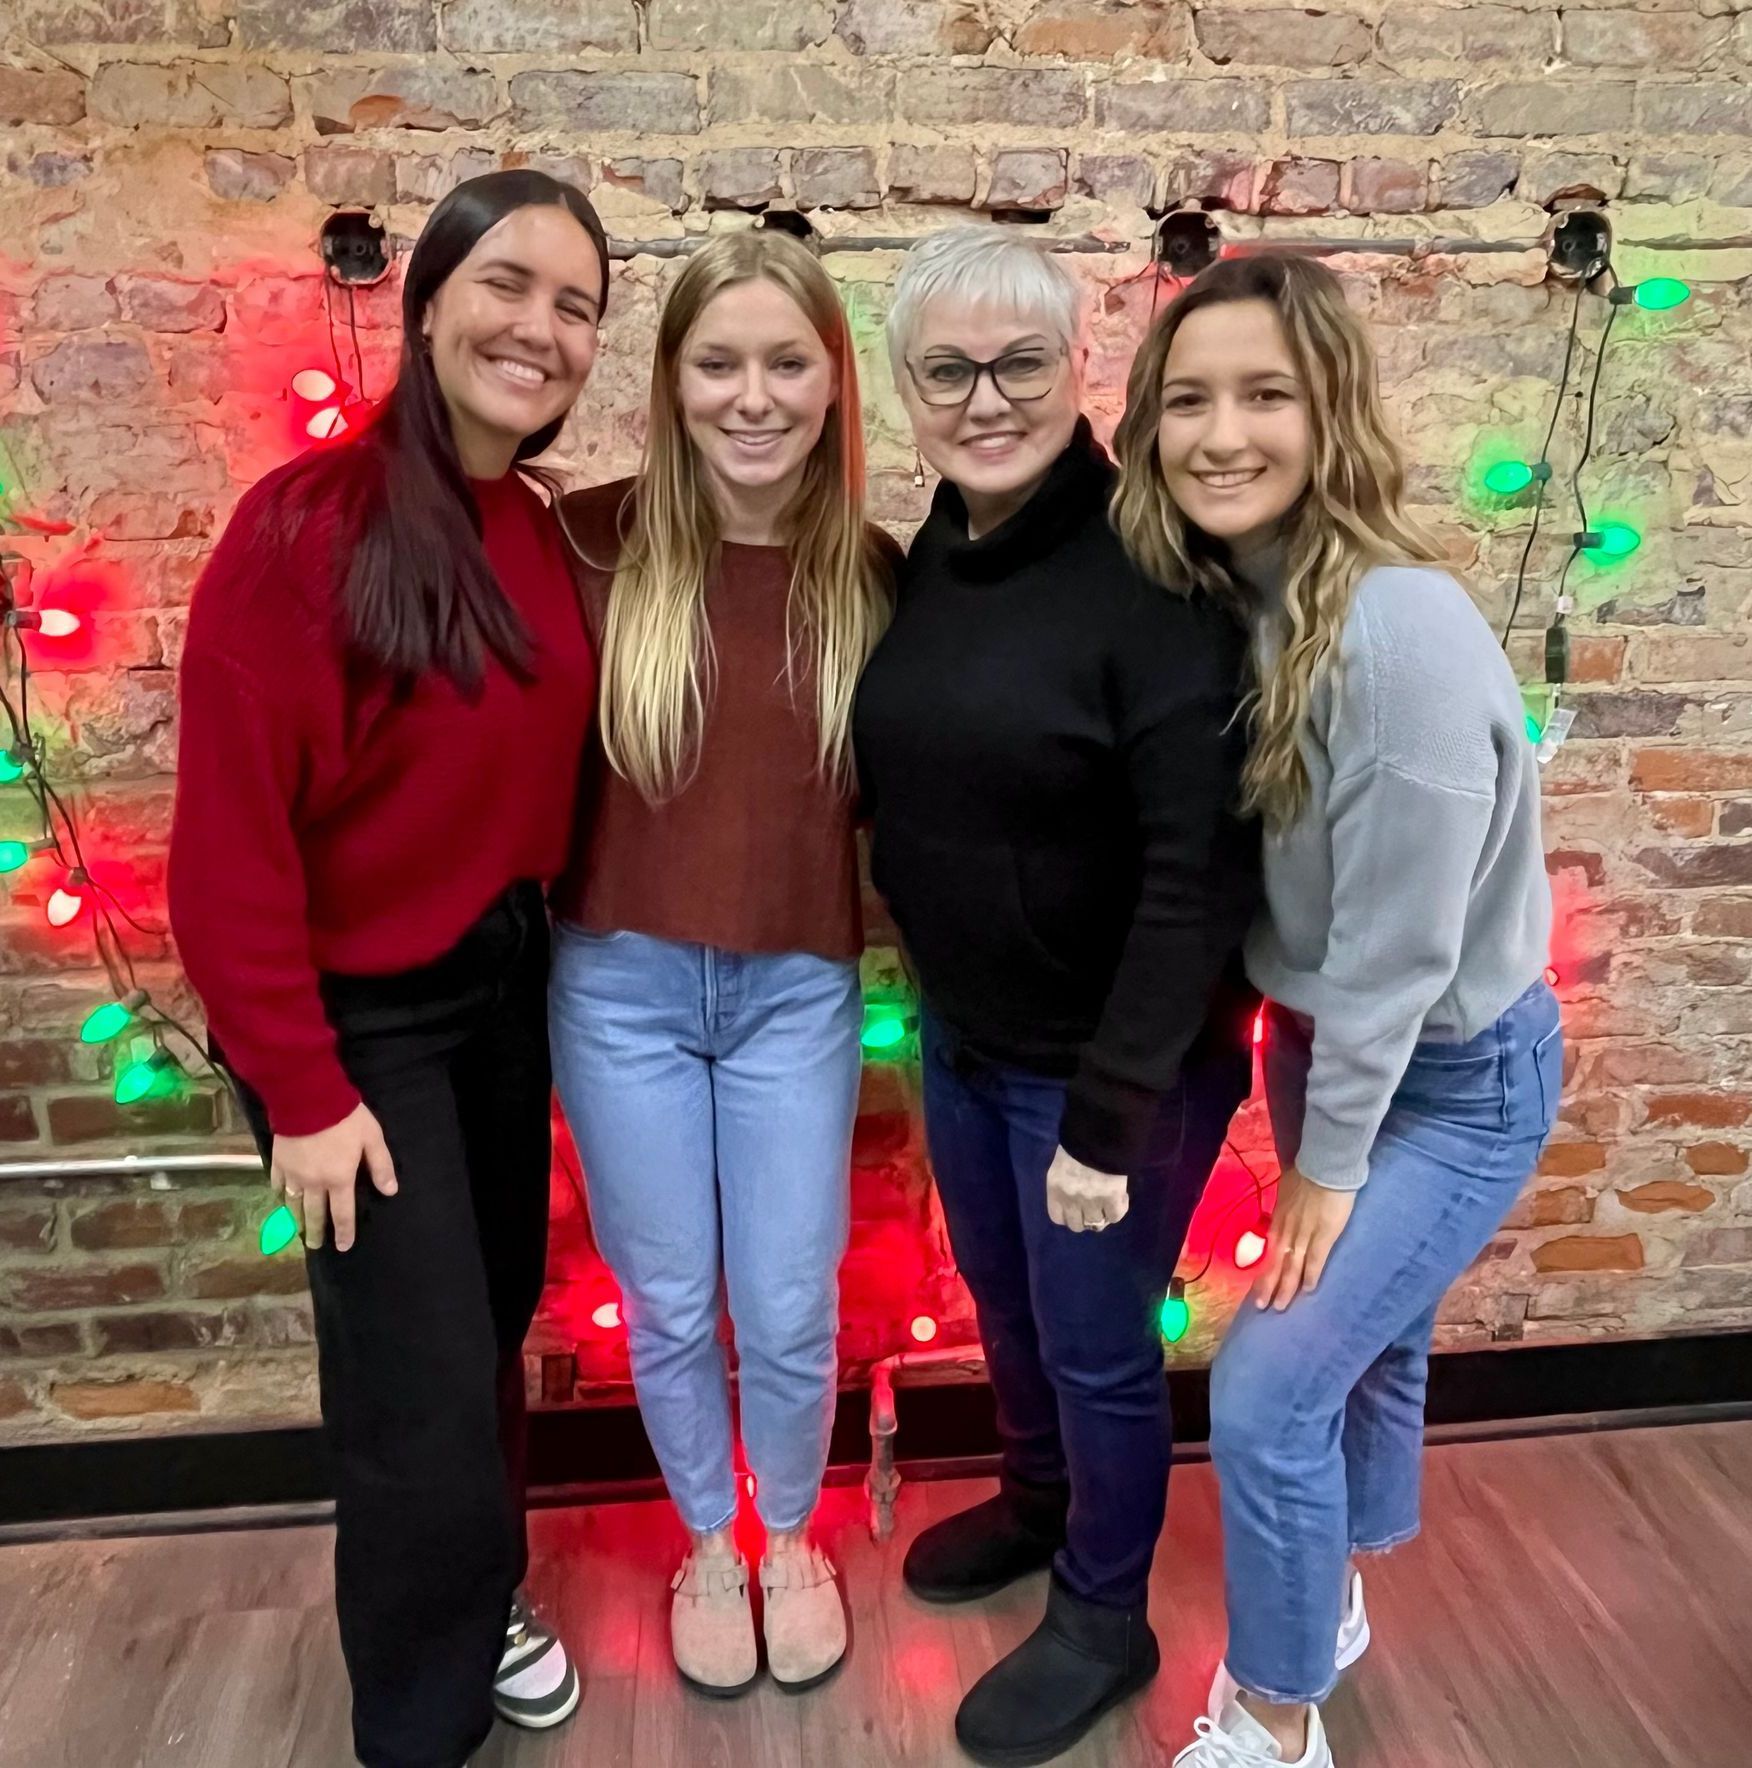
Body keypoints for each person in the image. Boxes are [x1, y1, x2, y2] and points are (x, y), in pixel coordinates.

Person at [168, 170, 610, 1768]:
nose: (540, 327)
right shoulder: (306, 528)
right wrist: (300, 1086)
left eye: (576, 306)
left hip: (502, 980)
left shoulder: (538, 529)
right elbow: (226, 850)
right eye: (508, 285)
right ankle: (417, 1725)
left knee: (482, 1331)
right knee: (413, 1381)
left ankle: (480, 1596)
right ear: (427, 307)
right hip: (359, 1023)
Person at [1108, 253, 1561, 1768]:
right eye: (1188, 401)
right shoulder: (1236, 598)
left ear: (1331, 414)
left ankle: (1277, 1713)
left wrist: (1328, 1164)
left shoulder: (1398, 628)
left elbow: (1398, 954)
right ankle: (1335, 1589)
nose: (1221, 434)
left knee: (1267, 1386)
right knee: (1365, 1345)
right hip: (1323, 1044)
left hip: (1451, 1075)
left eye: (1265, 396)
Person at [853, 223, 1260, 1766]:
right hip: (973, 1044)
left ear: (1078, 365)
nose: (985, 399)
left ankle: (1105, 1609)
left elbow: (1198, 874)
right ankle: (1038, 1501)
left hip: (1109, 1072)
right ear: (904, 389)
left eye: (1019, 363)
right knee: (1007, 1305)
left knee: (1096, 1346)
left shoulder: (1152, 575)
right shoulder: (938, 553)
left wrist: (1110, 1110)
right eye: (946, 371)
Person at [547, 229, 895, 1698]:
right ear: (672, 380)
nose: (753, 397)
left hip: (795, 991)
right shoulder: (587, 545)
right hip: (618, 986)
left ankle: (793, 1534)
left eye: (786, 363)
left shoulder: (873, 574)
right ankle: (707, 1537)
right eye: (719, 364)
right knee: (673, 1298)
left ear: (832, 383)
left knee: (792, 1299)